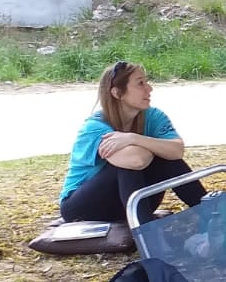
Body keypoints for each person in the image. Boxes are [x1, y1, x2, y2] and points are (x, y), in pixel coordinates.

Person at [59, 60, 206, 224]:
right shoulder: (94, 127)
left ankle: (213, 214)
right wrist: (156, 147)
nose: (149, 89)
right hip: (83, 207)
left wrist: (133, 138)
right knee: (129, 166)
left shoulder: (153, 116)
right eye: (140, 83)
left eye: (147, 82)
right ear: (118, 93)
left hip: (130, 200)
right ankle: (147, 234)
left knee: (169, 160)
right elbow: (136, 159)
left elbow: (177, 151)